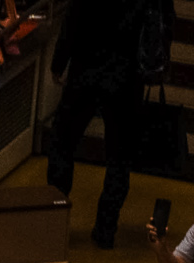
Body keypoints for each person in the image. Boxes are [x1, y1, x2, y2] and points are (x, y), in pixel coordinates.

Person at [44, 0, 157, 246]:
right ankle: (106, 229)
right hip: (126, 78)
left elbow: (72, 23)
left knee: (62, 144)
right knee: (119, 158)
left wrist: (59, 62)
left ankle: (55, 221)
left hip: (86, 70)